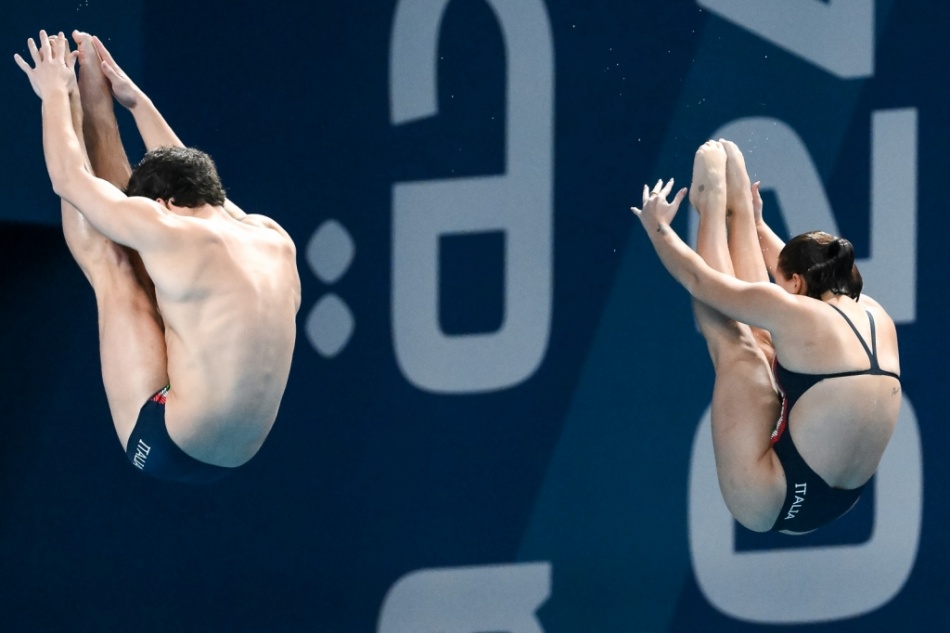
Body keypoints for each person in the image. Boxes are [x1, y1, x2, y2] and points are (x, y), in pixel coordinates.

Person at [14, 30, 301, 483]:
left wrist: (53, 93)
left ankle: (82, 101)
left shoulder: (170, 230)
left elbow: (70, 182)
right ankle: (96, 104)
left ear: (162, 206)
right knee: (161, 273)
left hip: (164, 441)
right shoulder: (272, 237)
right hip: (237, 455)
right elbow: (188, 170)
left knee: (115, 265)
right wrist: (137, 101)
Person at [631, 140, 901, 533]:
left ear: (795, 282)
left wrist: (658, 228)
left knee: (739, 349)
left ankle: (713, 208)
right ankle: (738, 210)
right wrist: (756, 226)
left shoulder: (798, 313)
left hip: (773, 501)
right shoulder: (877, 313)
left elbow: (701, 280)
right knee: (766, 340)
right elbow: (793, 277)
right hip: (835, 503)